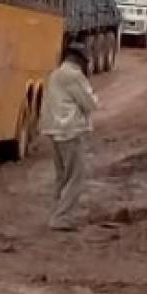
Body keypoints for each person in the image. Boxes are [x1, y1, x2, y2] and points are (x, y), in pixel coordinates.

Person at [39, 43, 98, 231]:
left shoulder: (55, 74)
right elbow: (89, 103)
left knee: (62, 176)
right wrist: (94, 98)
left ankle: (55, 212)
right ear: (79, 59)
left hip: (54, 131)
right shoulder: (74, 76)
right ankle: (61, 217)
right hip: (70, 131)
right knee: (75, 176)